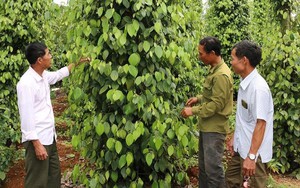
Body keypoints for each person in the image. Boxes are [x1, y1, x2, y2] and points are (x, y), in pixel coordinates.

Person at [16, 42, 90, 188]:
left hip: (49, 137)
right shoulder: (26, 84)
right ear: (39, 60)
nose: (51, 56)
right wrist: (37, 144)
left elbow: (58, 75)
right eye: (48, 54)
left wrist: (77, 62)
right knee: (37, 182)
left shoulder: (42, 76)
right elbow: (26, 117)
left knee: (53, 178)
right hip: (38, 141)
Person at [181, 36, 233, 188]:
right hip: (207, 127)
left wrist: (193, 111)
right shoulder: (214, 70)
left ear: (212, 53)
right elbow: (212, 95)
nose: (199, 56)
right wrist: (198, 98)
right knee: (204, 169)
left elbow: (216, 104)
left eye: (201, 53)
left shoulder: (222, 75)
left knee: (213, 171)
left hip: (214, 129)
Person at [225, 40, 273, 188]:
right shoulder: (245, 82)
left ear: (244, 60)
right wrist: (235, 137)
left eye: (233, 58)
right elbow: (245, 118)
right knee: (230, 181)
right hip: (242, 147)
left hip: (254, 154)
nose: (231, 62)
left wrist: (251, 157)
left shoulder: (259, 89)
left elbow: (261, 123)